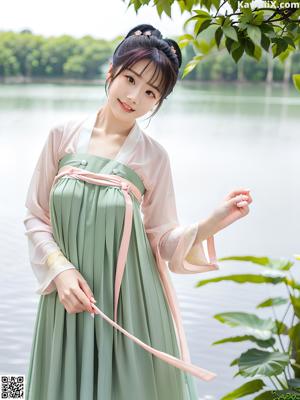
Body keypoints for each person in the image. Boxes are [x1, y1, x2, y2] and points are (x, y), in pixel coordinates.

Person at [23, 23, 252, 400]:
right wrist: (60, 270)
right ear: (111, 73)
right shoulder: (62, 136)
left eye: (150, 92)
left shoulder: (152, 157)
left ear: (157, 102)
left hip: (129, 306)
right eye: (129, 79)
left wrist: (210, 224)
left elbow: (162, 240)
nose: (134, 97)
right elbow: (35, 215)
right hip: (66, 297)